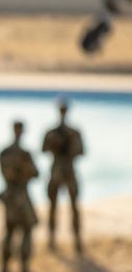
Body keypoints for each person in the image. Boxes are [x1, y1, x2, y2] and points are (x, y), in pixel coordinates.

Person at [42, 98, 85, 255]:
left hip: (68, 170)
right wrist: (56, 144)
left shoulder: (73, 132)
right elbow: (44, 149)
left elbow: (81, 151)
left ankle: (77, 239)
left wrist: (69, 146)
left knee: (74, 206)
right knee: (53, 206)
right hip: (57, 170)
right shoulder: (52, 132)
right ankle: (52, 239)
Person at [0, 121, 40, 272]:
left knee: (10, 232)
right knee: (25, 230)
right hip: (21, 195)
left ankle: (6, 268)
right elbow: (35, 173)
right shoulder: (23, 154)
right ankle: (22, 268)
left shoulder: (4, 153)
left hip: (10, 195)